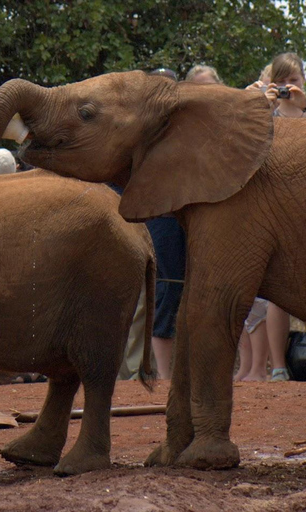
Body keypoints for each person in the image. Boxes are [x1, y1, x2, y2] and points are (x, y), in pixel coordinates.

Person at [246, 53, 306, 381]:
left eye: (293, 81)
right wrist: (260, 106)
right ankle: (277, 367)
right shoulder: (261, 108)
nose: (287, 87)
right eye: (280, 82)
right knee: (274, 290)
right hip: (270, 208)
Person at [142, 67, 186, 379]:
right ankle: (166, 377)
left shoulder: (188, 126)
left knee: (191, 290)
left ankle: (182, 374)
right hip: (157, 217)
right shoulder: (137, 129)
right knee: (168, 290)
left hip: (188, 216)